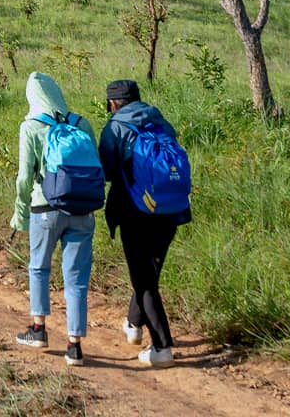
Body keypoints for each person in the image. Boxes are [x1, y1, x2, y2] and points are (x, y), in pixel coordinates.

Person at [98, 79, 193, 368]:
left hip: (136, 211)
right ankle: (134, 324)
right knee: (148, 273)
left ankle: (162, 347)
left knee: (144, 281)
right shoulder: (160, 121)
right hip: (171, 208)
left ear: (113, 103)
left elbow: (108, 171)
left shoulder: (115, 127)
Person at [12, 72, 101, 366]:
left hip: (45, 208)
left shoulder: (31, 126)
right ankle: (74, 346)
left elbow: (25, 177)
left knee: (39, 267)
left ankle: (38, 330)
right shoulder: (81, 123)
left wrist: (19, 214)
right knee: (76, 279)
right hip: (82, 209)